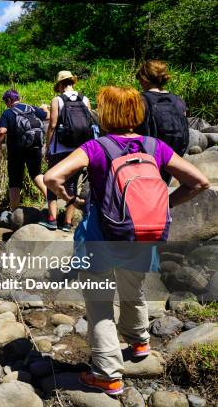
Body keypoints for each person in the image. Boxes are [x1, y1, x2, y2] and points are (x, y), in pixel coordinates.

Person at [43, 86, 209, 396]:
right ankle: (140, 342)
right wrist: (167, 204)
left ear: (105, 115)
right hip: (142, 235)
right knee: (134, 290)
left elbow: (52, 177)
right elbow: (200, 182)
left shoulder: (96, 147)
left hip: (100, 237)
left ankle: (108, 375)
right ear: (138, 114)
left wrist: (73, 199)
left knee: (100, 304)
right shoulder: (154, 146)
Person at [40, 71, 93, 232]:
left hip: (60, 148)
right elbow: (89, 123)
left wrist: (47, 146)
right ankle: (68, 223)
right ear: (72, 82)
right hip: (79, 150)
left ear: (60, 85)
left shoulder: (57, 100)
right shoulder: (85, 99)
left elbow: (53, 125)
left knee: (51, 183)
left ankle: (52, 219)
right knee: (72, 185)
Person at [0, 89, 48, 216]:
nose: (5, 104)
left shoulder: (8, 113)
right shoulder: (32, 108)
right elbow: (48, 116)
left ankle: (15, 213)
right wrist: (44, 108)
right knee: (36, 174)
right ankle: (51, 199)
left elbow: (1, 132)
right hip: (35, 148)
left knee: (14, 181)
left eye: (5, 102)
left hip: (16, 152)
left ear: (9, 100)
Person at [135, 60, 189, 181]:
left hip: (148, 155)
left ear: (144, 79)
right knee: (162, 185)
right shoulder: (178, 100)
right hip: (173, 155)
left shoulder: (140, 100)